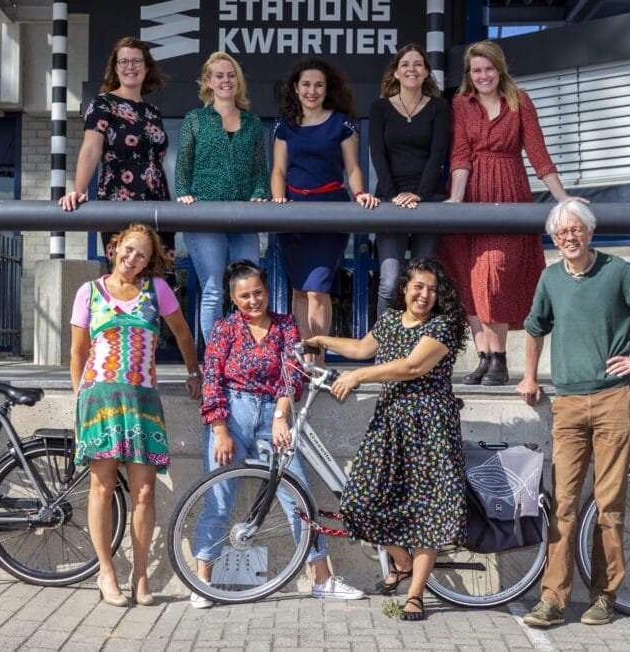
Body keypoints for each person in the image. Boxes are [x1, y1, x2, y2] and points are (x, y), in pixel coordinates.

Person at [517, 201, 630, 627]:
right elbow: (534, 328)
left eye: (577, 229)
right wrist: (530, 377)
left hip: (612, 402)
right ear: (554, 238)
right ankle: (552, 599)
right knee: (563, 504)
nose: (570, 237)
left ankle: (604, 596)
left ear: (590, 232)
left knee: (609, 504)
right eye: (562, 232)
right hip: (567, 404)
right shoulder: (550, 278)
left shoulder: (618, 272)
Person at [190, 259, 366, 608]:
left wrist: (281, 416)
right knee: (219, 500)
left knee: (298, 497)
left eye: (258, 292)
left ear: (268, 291)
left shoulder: (286, 326)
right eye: (244, 296)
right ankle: (202, 583)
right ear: (232, 298)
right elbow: (212, 381)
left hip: (274, 414)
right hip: (232, 415)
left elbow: (291, 374)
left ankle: (322, 579)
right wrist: (220, 429)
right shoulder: (224, 329)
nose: (253, 301)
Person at [306, 257, 469, 621]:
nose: (424, 294)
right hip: (390, 423)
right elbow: (362, 348)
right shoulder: (391, 320)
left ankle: (415, 595)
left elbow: (411, 366)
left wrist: (360, 377)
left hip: (430, 427)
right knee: (359, 501)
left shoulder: (442, 326)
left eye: (431, 288)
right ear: (405, 288)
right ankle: (402, 561)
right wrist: (320, 340)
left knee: (429, 513)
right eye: (418, 286)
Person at [69, 223, 202, 607]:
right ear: (114, 249)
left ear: (150, 261)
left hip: (143, 402)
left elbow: (182, 334)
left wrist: (194, 372)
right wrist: (80, 396)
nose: (132, 259)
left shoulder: (157, 291)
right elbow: (78, 351)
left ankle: (140, 575)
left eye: (141, 254)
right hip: (100, 402)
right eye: (128, 250)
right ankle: (106, 572)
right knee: (102, 487)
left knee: (144, 492)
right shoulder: (89, 292)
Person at [438, 39, 578, 386]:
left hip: (509, 192)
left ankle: (500, 357)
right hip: (471, 194)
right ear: (469, 74)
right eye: (476, 70)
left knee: (494, 274)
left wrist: (563, 199)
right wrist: (456, 201)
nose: (483, 76)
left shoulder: (520, 101)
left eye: (488, 69)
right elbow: (460, 156)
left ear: (499, 70)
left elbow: (539, 155)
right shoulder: (460, 105)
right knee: (468, 280)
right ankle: (485, 358)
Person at [271, 58, 378, 352]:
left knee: (318, 289)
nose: (312, 90)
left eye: (319, 85)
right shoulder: (284, 124)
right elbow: (279, 170)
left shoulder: (341, 122)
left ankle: (317, 358)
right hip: (292, 212)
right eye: (306, 84)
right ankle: (303, 356)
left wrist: (360, 194)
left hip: (329, 208)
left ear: (327, 88)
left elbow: (353, 167)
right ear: (295, 88)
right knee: (299, 290)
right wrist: (279, 201)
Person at [175, 52, 269, 345]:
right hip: (205, 213)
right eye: (219, 75)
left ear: (238, 81)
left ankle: (247, 353)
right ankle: (217, 358)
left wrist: (258, 195)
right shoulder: (195, 118)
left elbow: (259, 169)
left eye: (231, 75)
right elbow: (183, 164)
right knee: (215, 288)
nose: (225, 80)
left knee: (250, 288)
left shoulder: (252, 122)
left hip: (243, 216)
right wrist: (183, 194)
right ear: (208, 81)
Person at [58, 37, 174, 261]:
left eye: (137, 61)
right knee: (127, 272)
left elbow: (157, 160)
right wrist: (79, 190)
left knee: (160, 278)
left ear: (147, 67)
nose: (130, 66)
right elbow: (91, 149)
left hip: (157, 199)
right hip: (118, 197)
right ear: (115, 68)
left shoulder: (153, 111)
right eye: (124, 62)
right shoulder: (102, 104)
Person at [368, 45, 451, 318]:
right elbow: (378, 155)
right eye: (405, 64)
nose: (411, 69)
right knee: (390, 282)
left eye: (418, 64)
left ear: (426, 72)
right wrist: (393, 196)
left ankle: (418, 353)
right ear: (395, 72)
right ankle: (382, 350)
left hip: (428, 201)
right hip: (390, 200)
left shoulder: (439, 107)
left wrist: (421, 194)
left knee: (422, 284)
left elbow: (438, 153)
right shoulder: (380, 108)